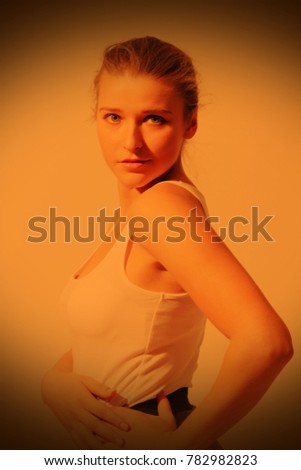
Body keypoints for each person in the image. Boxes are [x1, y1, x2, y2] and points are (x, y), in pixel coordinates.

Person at [41, 36, 293, 450]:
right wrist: (53, 383)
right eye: (113, 117)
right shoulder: (140, 213)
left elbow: (267, 342)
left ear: (189, 122)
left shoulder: (161, 209)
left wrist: (180, 452)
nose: (131, 142)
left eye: (154, 119)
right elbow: (113, 337)